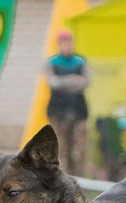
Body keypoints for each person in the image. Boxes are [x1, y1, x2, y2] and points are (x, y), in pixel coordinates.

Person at [45, 29, 89, 176]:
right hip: (58, 112)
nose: (67, 45)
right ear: (59, 44)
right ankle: (63, 179)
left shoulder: (80, 62)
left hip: (78, 111)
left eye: (69, 42)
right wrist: (73, 80)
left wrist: (64, 82)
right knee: (61, 150)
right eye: (64, 42)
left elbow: (85, 82)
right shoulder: (52, 62)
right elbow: (53, 83)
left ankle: (78, 178)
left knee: (78, 151)